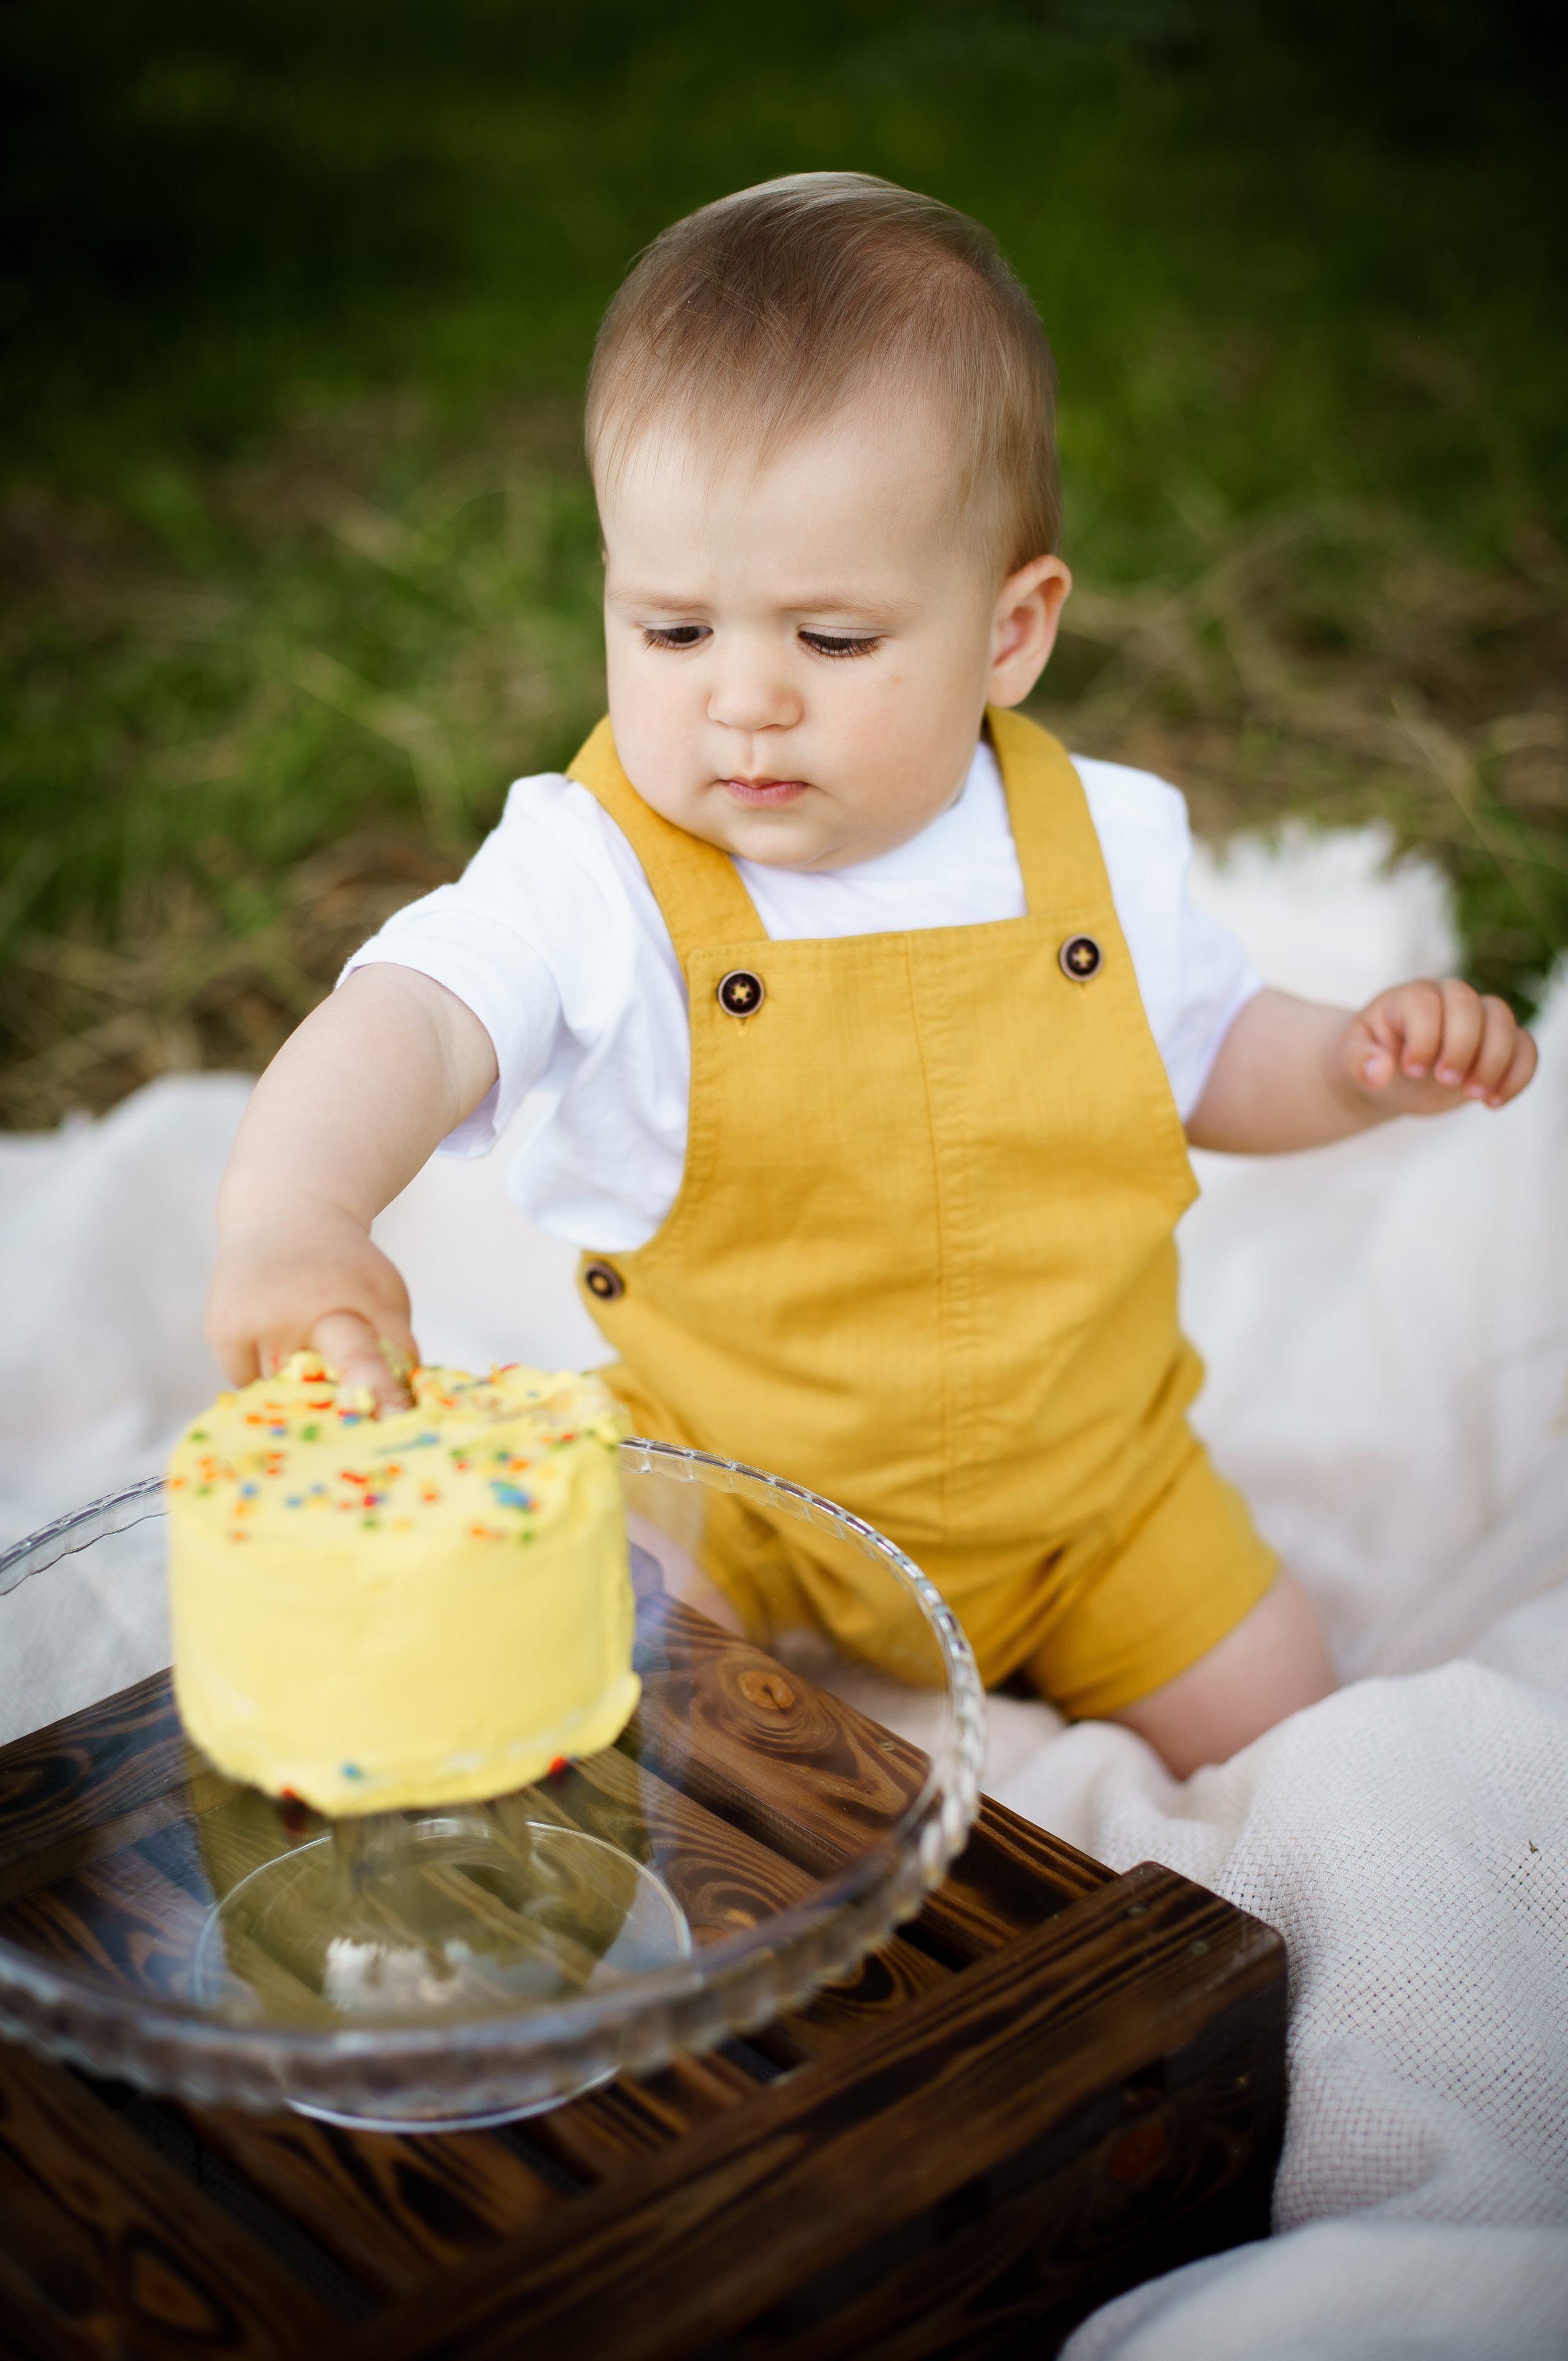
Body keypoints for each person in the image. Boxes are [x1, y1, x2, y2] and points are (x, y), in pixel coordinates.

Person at [206, 175, 1537, 1777]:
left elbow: (1204, 1055)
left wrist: (1350, 1066)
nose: (745, 702)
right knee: (573, 1681)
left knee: (1297, 1744)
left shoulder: (1098, 848)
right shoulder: (595, 871)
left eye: (832, 641)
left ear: (1008, 633)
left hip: (1104, 1503)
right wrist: (296, 1213)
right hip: (741, 1494)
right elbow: (411, 1021)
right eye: (676, 629)